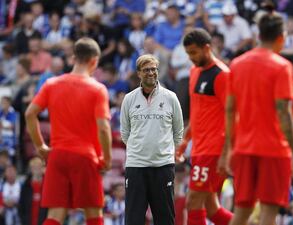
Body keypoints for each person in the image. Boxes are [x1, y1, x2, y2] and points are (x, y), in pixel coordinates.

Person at [218, 9, 293, 225]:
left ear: (258, 35)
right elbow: (284, 113)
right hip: (273, 149)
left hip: (244, 148)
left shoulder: (237, 64)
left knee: (241, 211)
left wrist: (229, 147)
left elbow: (229, 109)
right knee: (268, 213)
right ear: (281, 38)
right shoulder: (282, 66)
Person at [24, 37, 112, 225]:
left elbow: (30, 114)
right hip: (85, 157)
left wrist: (40, 146)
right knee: (94, 214)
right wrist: (107, 157)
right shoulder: (98, 89)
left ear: (73, 58)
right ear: (94, 61)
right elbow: (103, 129)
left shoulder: (51, 84)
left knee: (54, 215)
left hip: (58, 155)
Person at [176, 28, 233, 225]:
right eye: (188, 53)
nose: (191, 57)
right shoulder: (194, 72)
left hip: (214, 149)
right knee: (212, 209)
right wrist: (184, 140)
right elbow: (197, 113)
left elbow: (232, 116)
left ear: (207, 48)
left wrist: (226, 154)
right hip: (200, 148)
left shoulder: (222, 75)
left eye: (194, 52)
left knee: (193, 202)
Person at [120, 54, 184, 225]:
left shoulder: (171, 97)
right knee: (133, 219)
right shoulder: (129, 99)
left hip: (163, 167)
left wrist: (165, 153)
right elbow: (125, 133)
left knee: (165, 219)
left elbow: (178, 132)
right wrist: (139, 150)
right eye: (146, 70)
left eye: (153, 69)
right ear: (139, 73)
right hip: (136, 167)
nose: (151, 73)